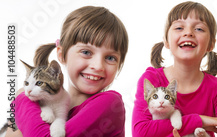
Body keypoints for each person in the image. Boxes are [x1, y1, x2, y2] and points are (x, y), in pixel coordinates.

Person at [8, 6, 128, 136]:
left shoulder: (109, 103)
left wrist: (20, 97)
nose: (98, 66)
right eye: (86, 52)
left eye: (110, 58)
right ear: (61, 54)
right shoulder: (40, 104)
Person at [132, 1, 217, 137]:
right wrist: (200, 120)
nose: (188, 33)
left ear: (211, 44)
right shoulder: (151, 79)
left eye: (199, 29)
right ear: (166, 41)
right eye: (179, 28)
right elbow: (140, 132)